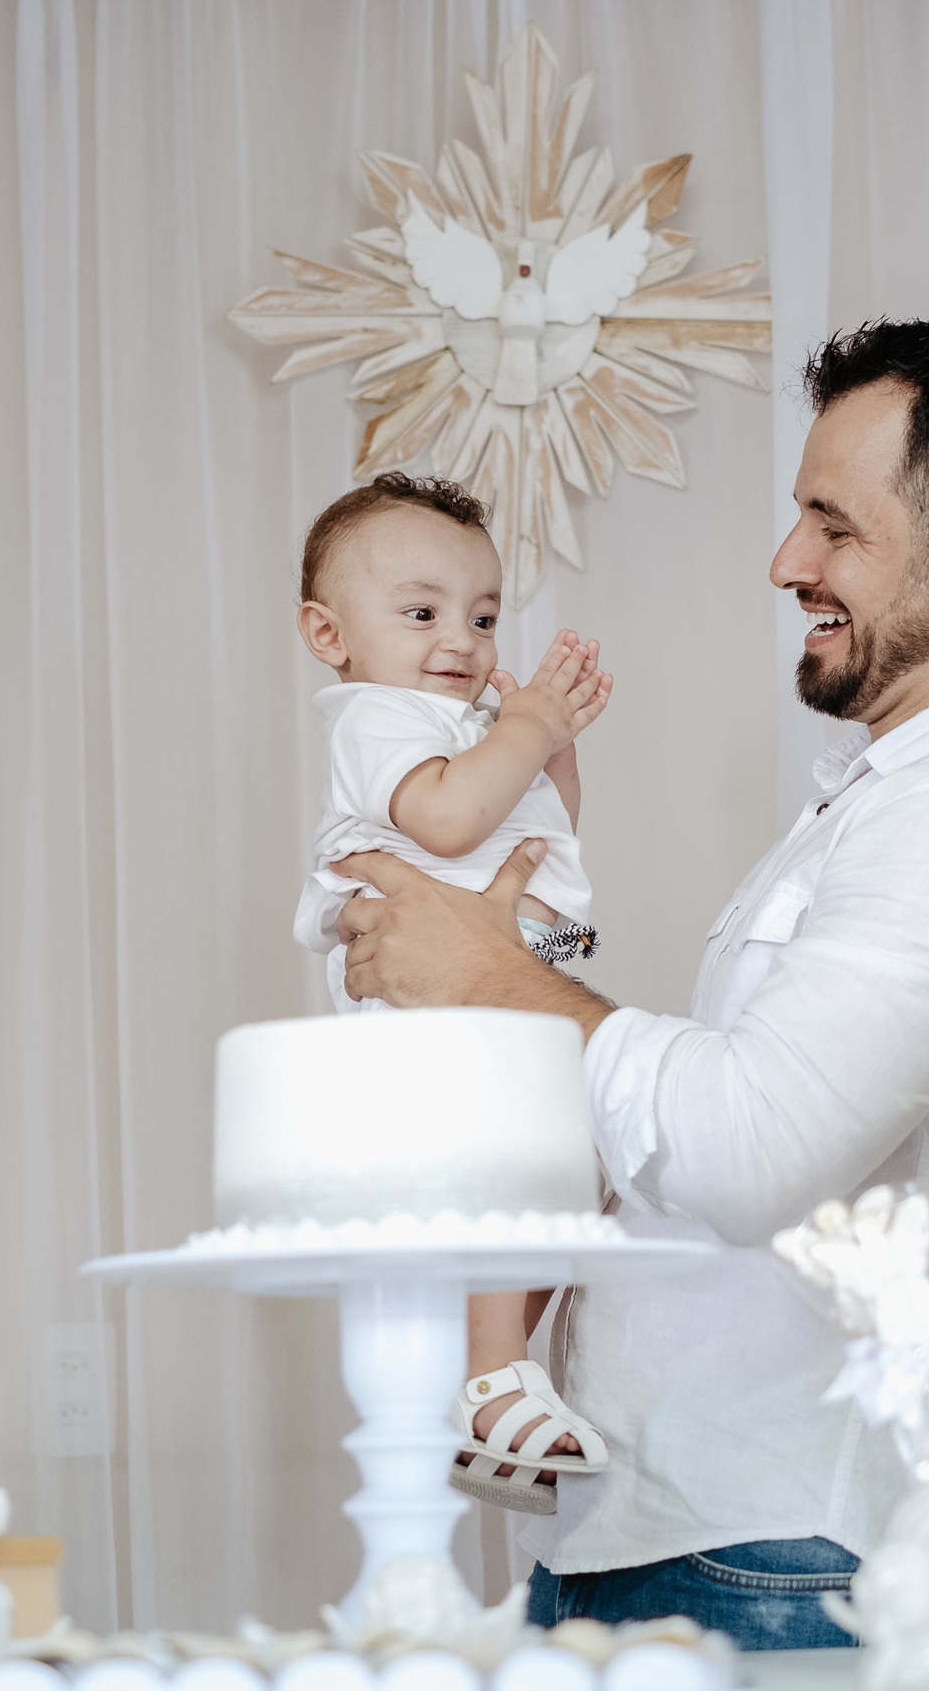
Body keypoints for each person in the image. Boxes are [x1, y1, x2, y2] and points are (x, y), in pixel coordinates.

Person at [331, 319, 929, 1648]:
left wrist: (496, 975)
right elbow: (713, 1126)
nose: (786, 562)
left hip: (786, 1552)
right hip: (683, 1529)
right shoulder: (888, 807)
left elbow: (751, 1152)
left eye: (835, 528)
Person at [292, 471, 613, 1513]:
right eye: (422, 613)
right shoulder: (375, 718)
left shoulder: (464, 725)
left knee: (595, 1166)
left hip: (510, 974)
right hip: (434, 999)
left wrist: (548, 749)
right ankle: (490, 1384)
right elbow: (443, 823)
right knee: (513, 1158)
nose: (462, 641)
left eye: (482, 615)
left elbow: (535, 822)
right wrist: (521, 727)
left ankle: (485, 1370)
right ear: (328, 634)